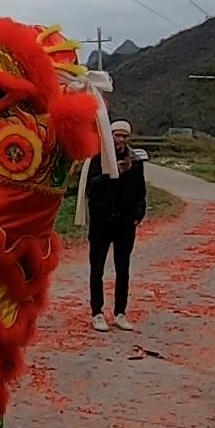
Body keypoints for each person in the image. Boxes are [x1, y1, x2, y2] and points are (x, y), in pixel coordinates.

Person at [86, 120, 148, 333]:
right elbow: (90, 188)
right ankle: (97, 312)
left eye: (124, 136)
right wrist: (112, 174)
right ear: (109, 136)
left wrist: (139, 212)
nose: (120, 140)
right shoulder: (98, 158)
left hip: (124, 223)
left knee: (123, 269)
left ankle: (120, 312)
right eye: (117, 136)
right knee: (97, 269)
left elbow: (140, 190)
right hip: (101, 222)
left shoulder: (135, 161)